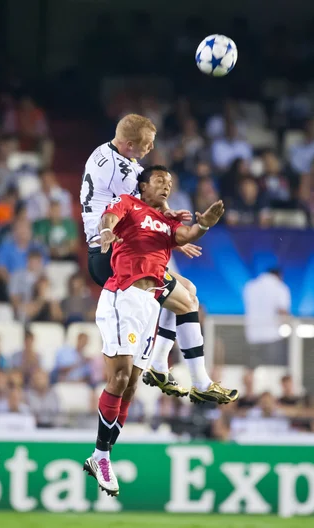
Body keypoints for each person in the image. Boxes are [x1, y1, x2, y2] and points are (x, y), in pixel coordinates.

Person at [83, 166, 237, 496]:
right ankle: (101, 455)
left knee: (131, 387)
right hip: (122, 296)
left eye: (170, 183)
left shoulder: (167, 223)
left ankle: (102, 455)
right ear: (143, 185)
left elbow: (186, 235)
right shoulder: (128, 203)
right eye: (159, 181)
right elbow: (109, 218)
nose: (166, 186)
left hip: (150, 305)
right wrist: (108, 231)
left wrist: (205, 224)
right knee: (120, 378)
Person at [80, 114, 224, 400]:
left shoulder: (111, 154)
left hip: (118, 251)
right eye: (147, 144)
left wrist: (167, 227)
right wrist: (167, 228)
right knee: (186, 303)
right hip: (112, 254)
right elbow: (133, 208)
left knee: (188, 291)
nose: (150, 149)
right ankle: (198, 381)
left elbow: (150, 204)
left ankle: (159, 365)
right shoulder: (117, 171)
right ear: (130, 144)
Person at [243, 268, 291, 368]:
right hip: (272, 336)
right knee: (272, 369)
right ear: (279, 276)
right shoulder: (279, 287)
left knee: (253, 368)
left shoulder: (250, 286)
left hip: (252, 335)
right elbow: (282, 310)